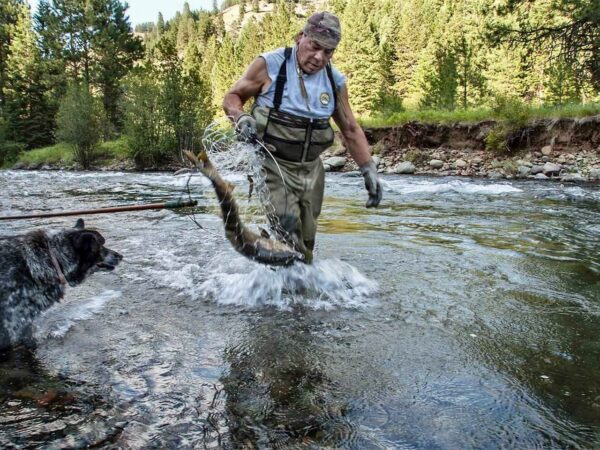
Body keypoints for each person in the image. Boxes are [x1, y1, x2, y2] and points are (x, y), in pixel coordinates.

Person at [223, 11, 382, 263]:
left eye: (328, 52)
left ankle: (290, 290)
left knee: (306, 240)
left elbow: (350, 129)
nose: (319, 57)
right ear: (300, 37)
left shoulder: (334, 81)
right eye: (314, 46)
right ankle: (288, 291)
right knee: (287, 226)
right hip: (273, 164)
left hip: (311, 169)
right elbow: (232, 98)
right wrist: (241, 118)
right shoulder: (270, 64)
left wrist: (368, 169)